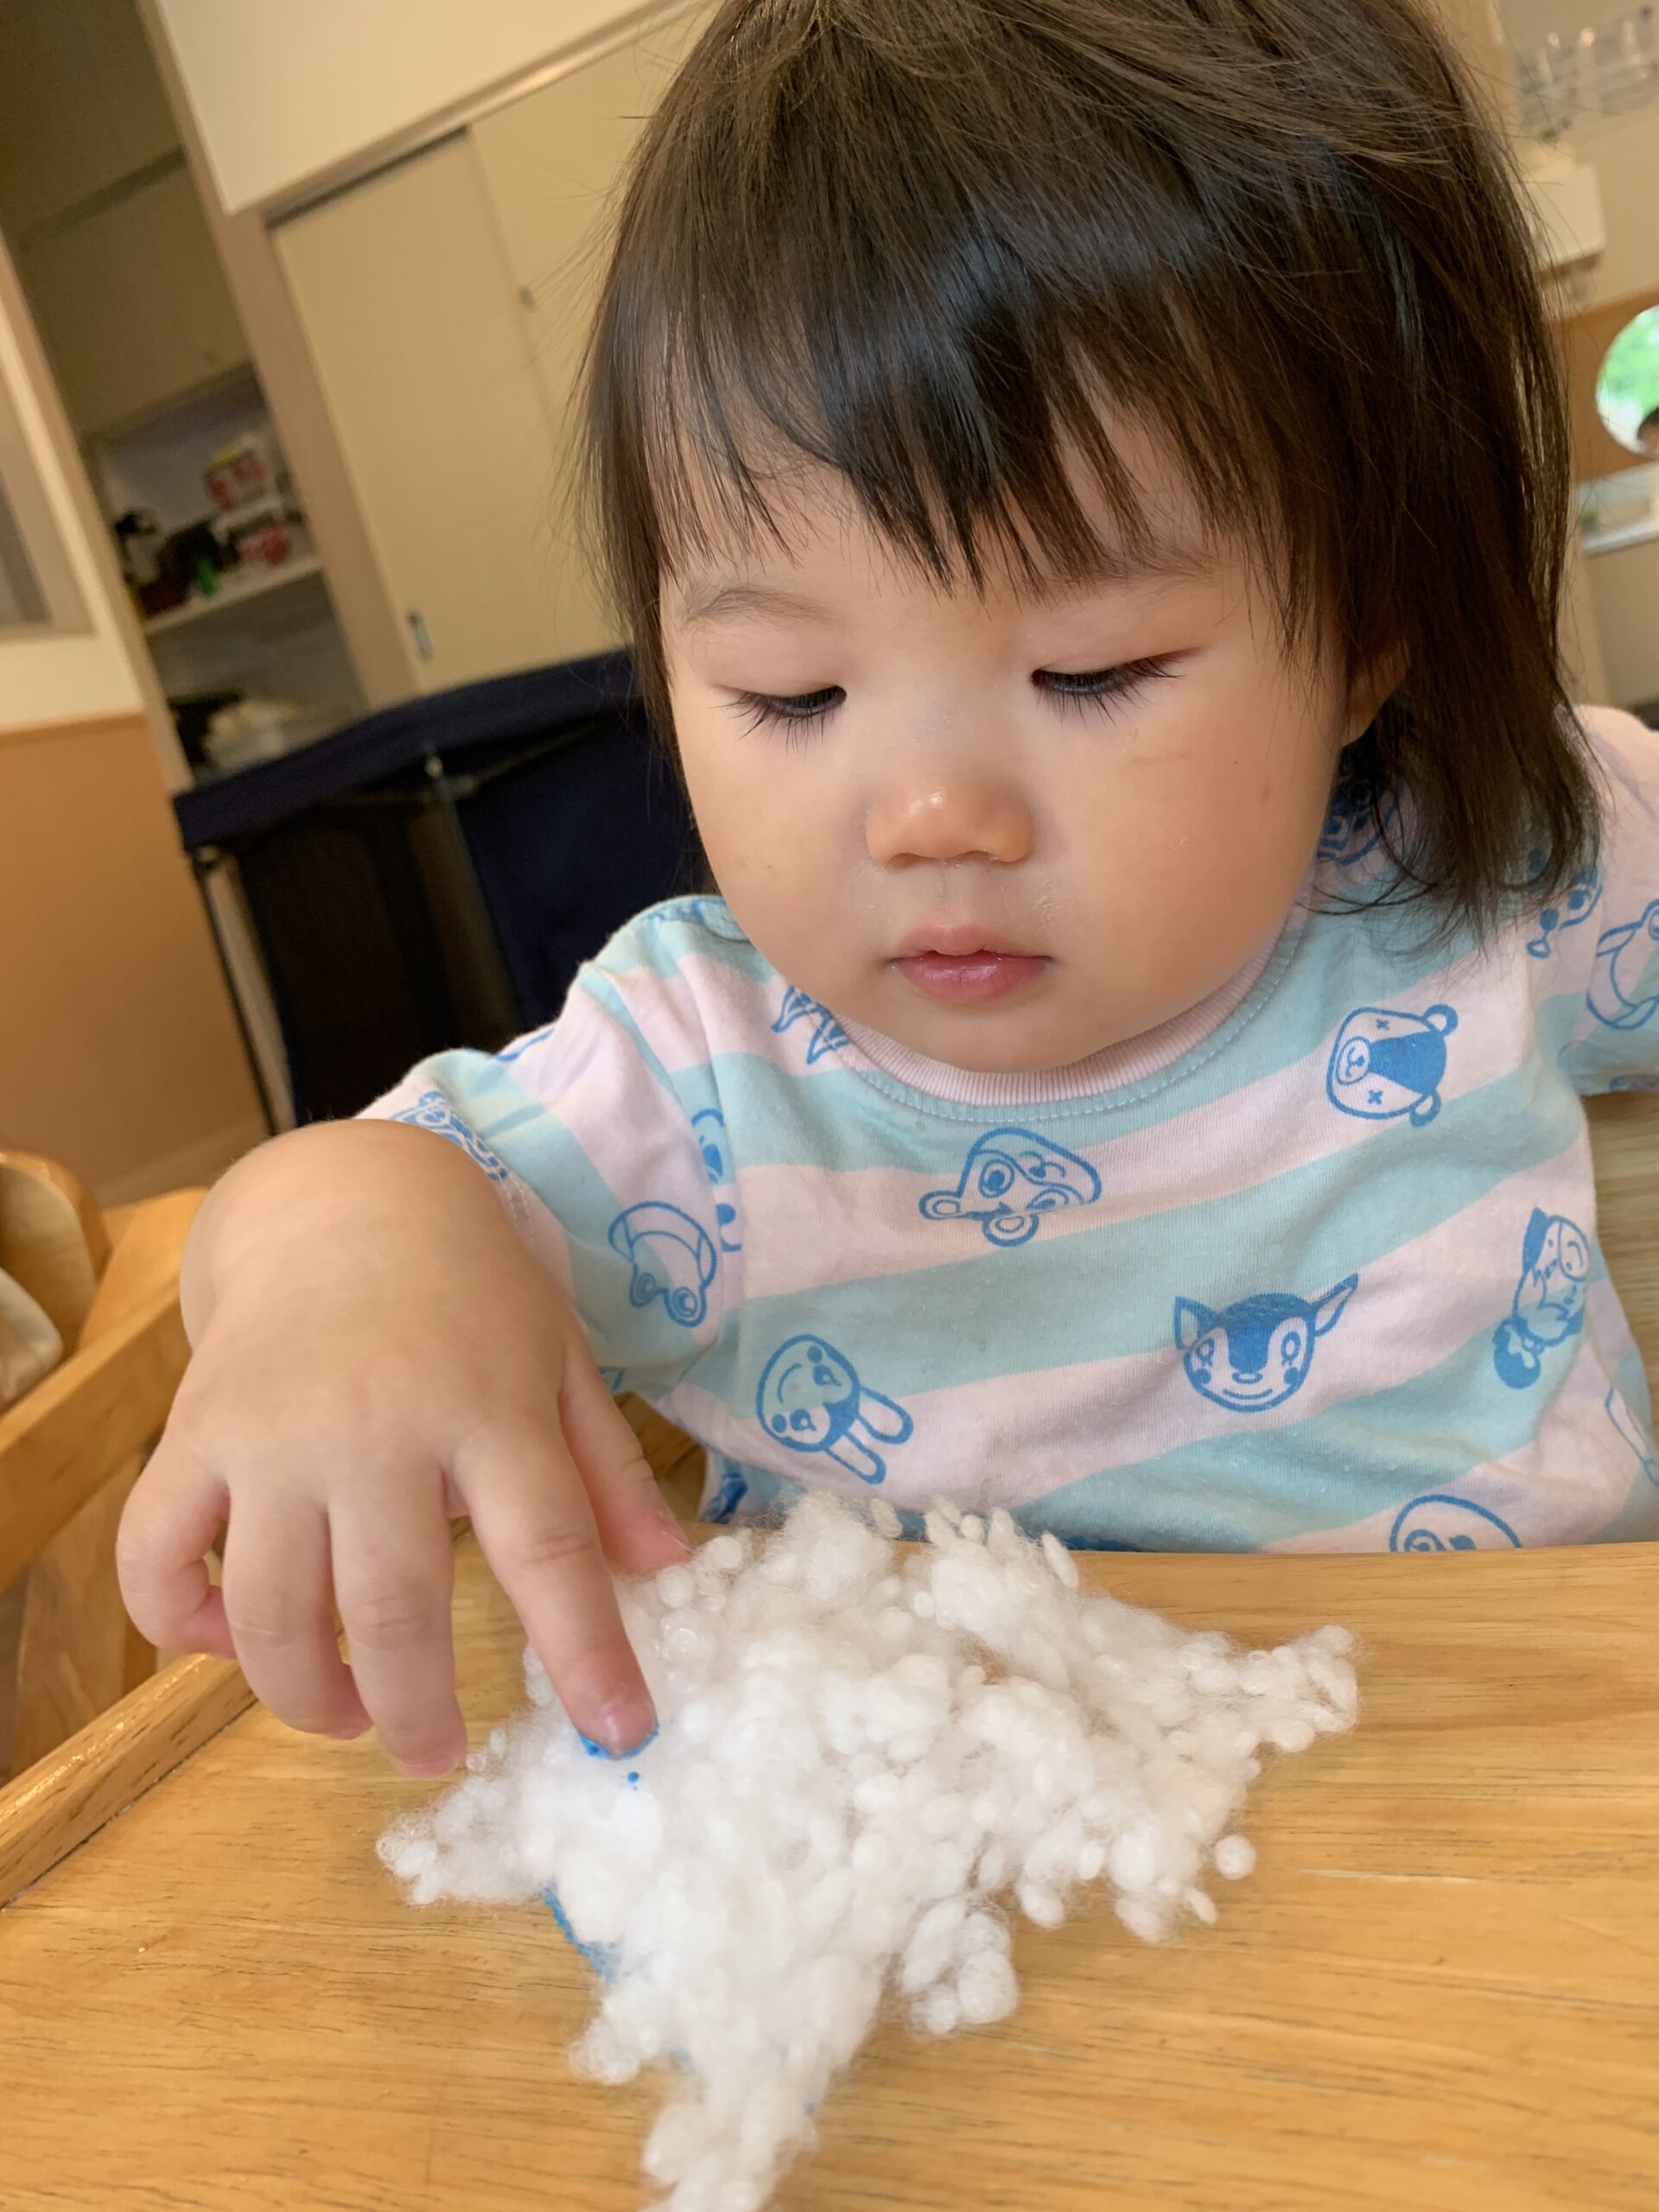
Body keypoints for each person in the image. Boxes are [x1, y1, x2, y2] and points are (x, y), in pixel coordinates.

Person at [118, 0, 1659, 1785]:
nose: (933, 817)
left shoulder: (1502, 853)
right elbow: (383, 1188)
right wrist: (341, 1268)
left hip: (1554, 1807)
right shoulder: (707, 1079)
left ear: (1368, 637)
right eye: (792, 694)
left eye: (1090, 670)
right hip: (1000, 1901)